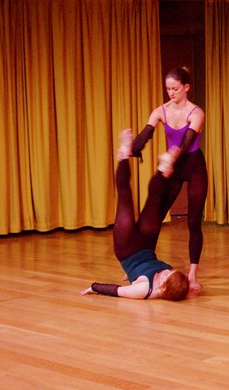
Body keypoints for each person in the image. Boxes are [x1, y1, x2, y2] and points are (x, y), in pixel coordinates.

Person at [80, 129, 189, 301]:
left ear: (162, 288)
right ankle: (163, 168)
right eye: (170, 271)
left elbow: (117, 291)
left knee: (125, 197)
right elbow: (171, 279)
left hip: (127, 249)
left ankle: (124, 154)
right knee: (155, 200)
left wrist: (94, 287)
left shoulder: (144, 289)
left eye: (165, 275)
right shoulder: (171, 281)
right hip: (147, 245)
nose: (165, 271)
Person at [130, 66, 208, 291]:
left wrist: (172, 157)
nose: (171, 93)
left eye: (175, 88)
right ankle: (144, 264)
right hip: (172, 169)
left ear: (186, 87)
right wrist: (132, 147)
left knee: (194, 220)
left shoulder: (196, 113)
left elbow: (186, 142)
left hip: (193, 166)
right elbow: (145, 135)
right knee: (155, 215)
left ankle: (193, 274)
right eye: (168, 89)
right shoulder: (160, 111)